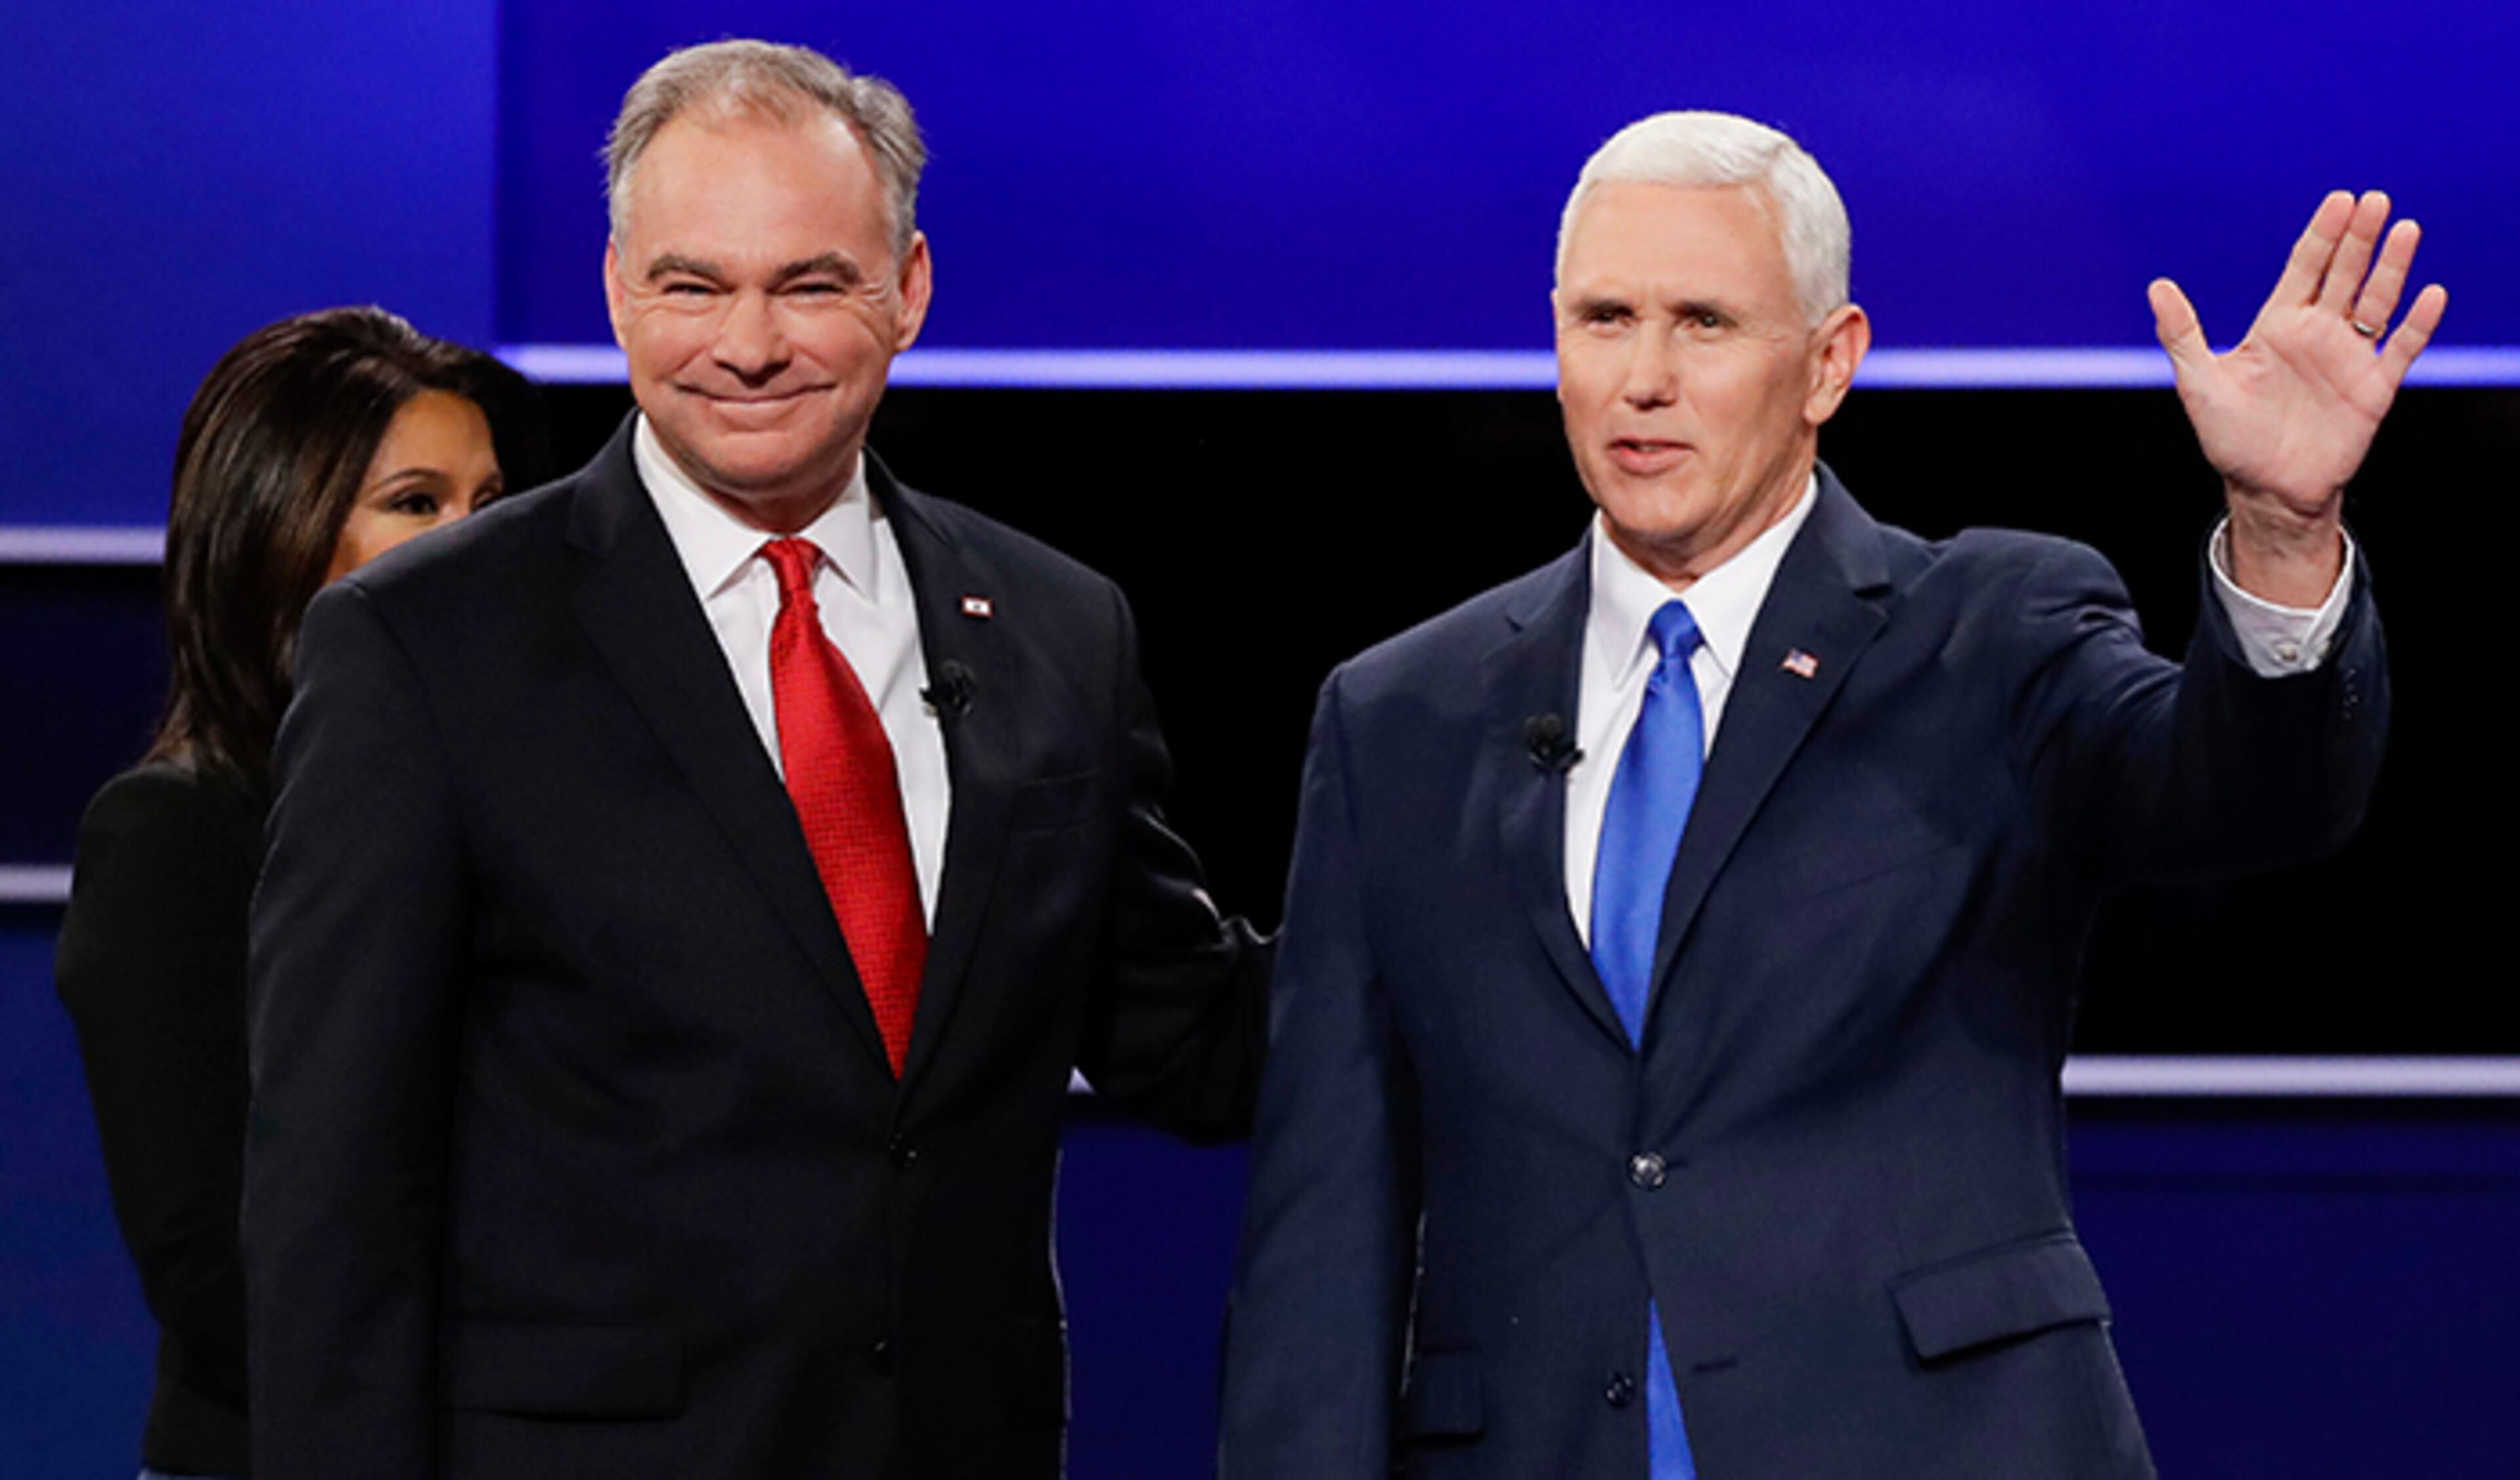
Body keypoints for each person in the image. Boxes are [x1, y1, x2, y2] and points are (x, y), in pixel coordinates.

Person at [1220, 112, 2433, 1479]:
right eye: (1605, 318)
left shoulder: (1991, 631)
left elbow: (2246, 798)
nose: (1644, 379)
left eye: (1707, 324)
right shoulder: (1399, 716)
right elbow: (1324, 1224)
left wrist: (2280, 532)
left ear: (1829, 364)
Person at [242, 39, 1267, 1480]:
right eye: (691, 284)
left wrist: (1511, 877)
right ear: (614, 289)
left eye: (808, 284)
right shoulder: (425, 646)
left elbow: (1195, 1034)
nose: (748, 342)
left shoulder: (1054, 627)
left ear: (906, 290)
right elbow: (334, 1191)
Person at [56, 305, 540, 1480]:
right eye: (417, 503)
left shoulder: (532, 813)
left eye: (491, 504)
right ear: (280, 529)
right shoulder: (175, 834)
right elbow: (221, 1276)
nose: (475, 543)